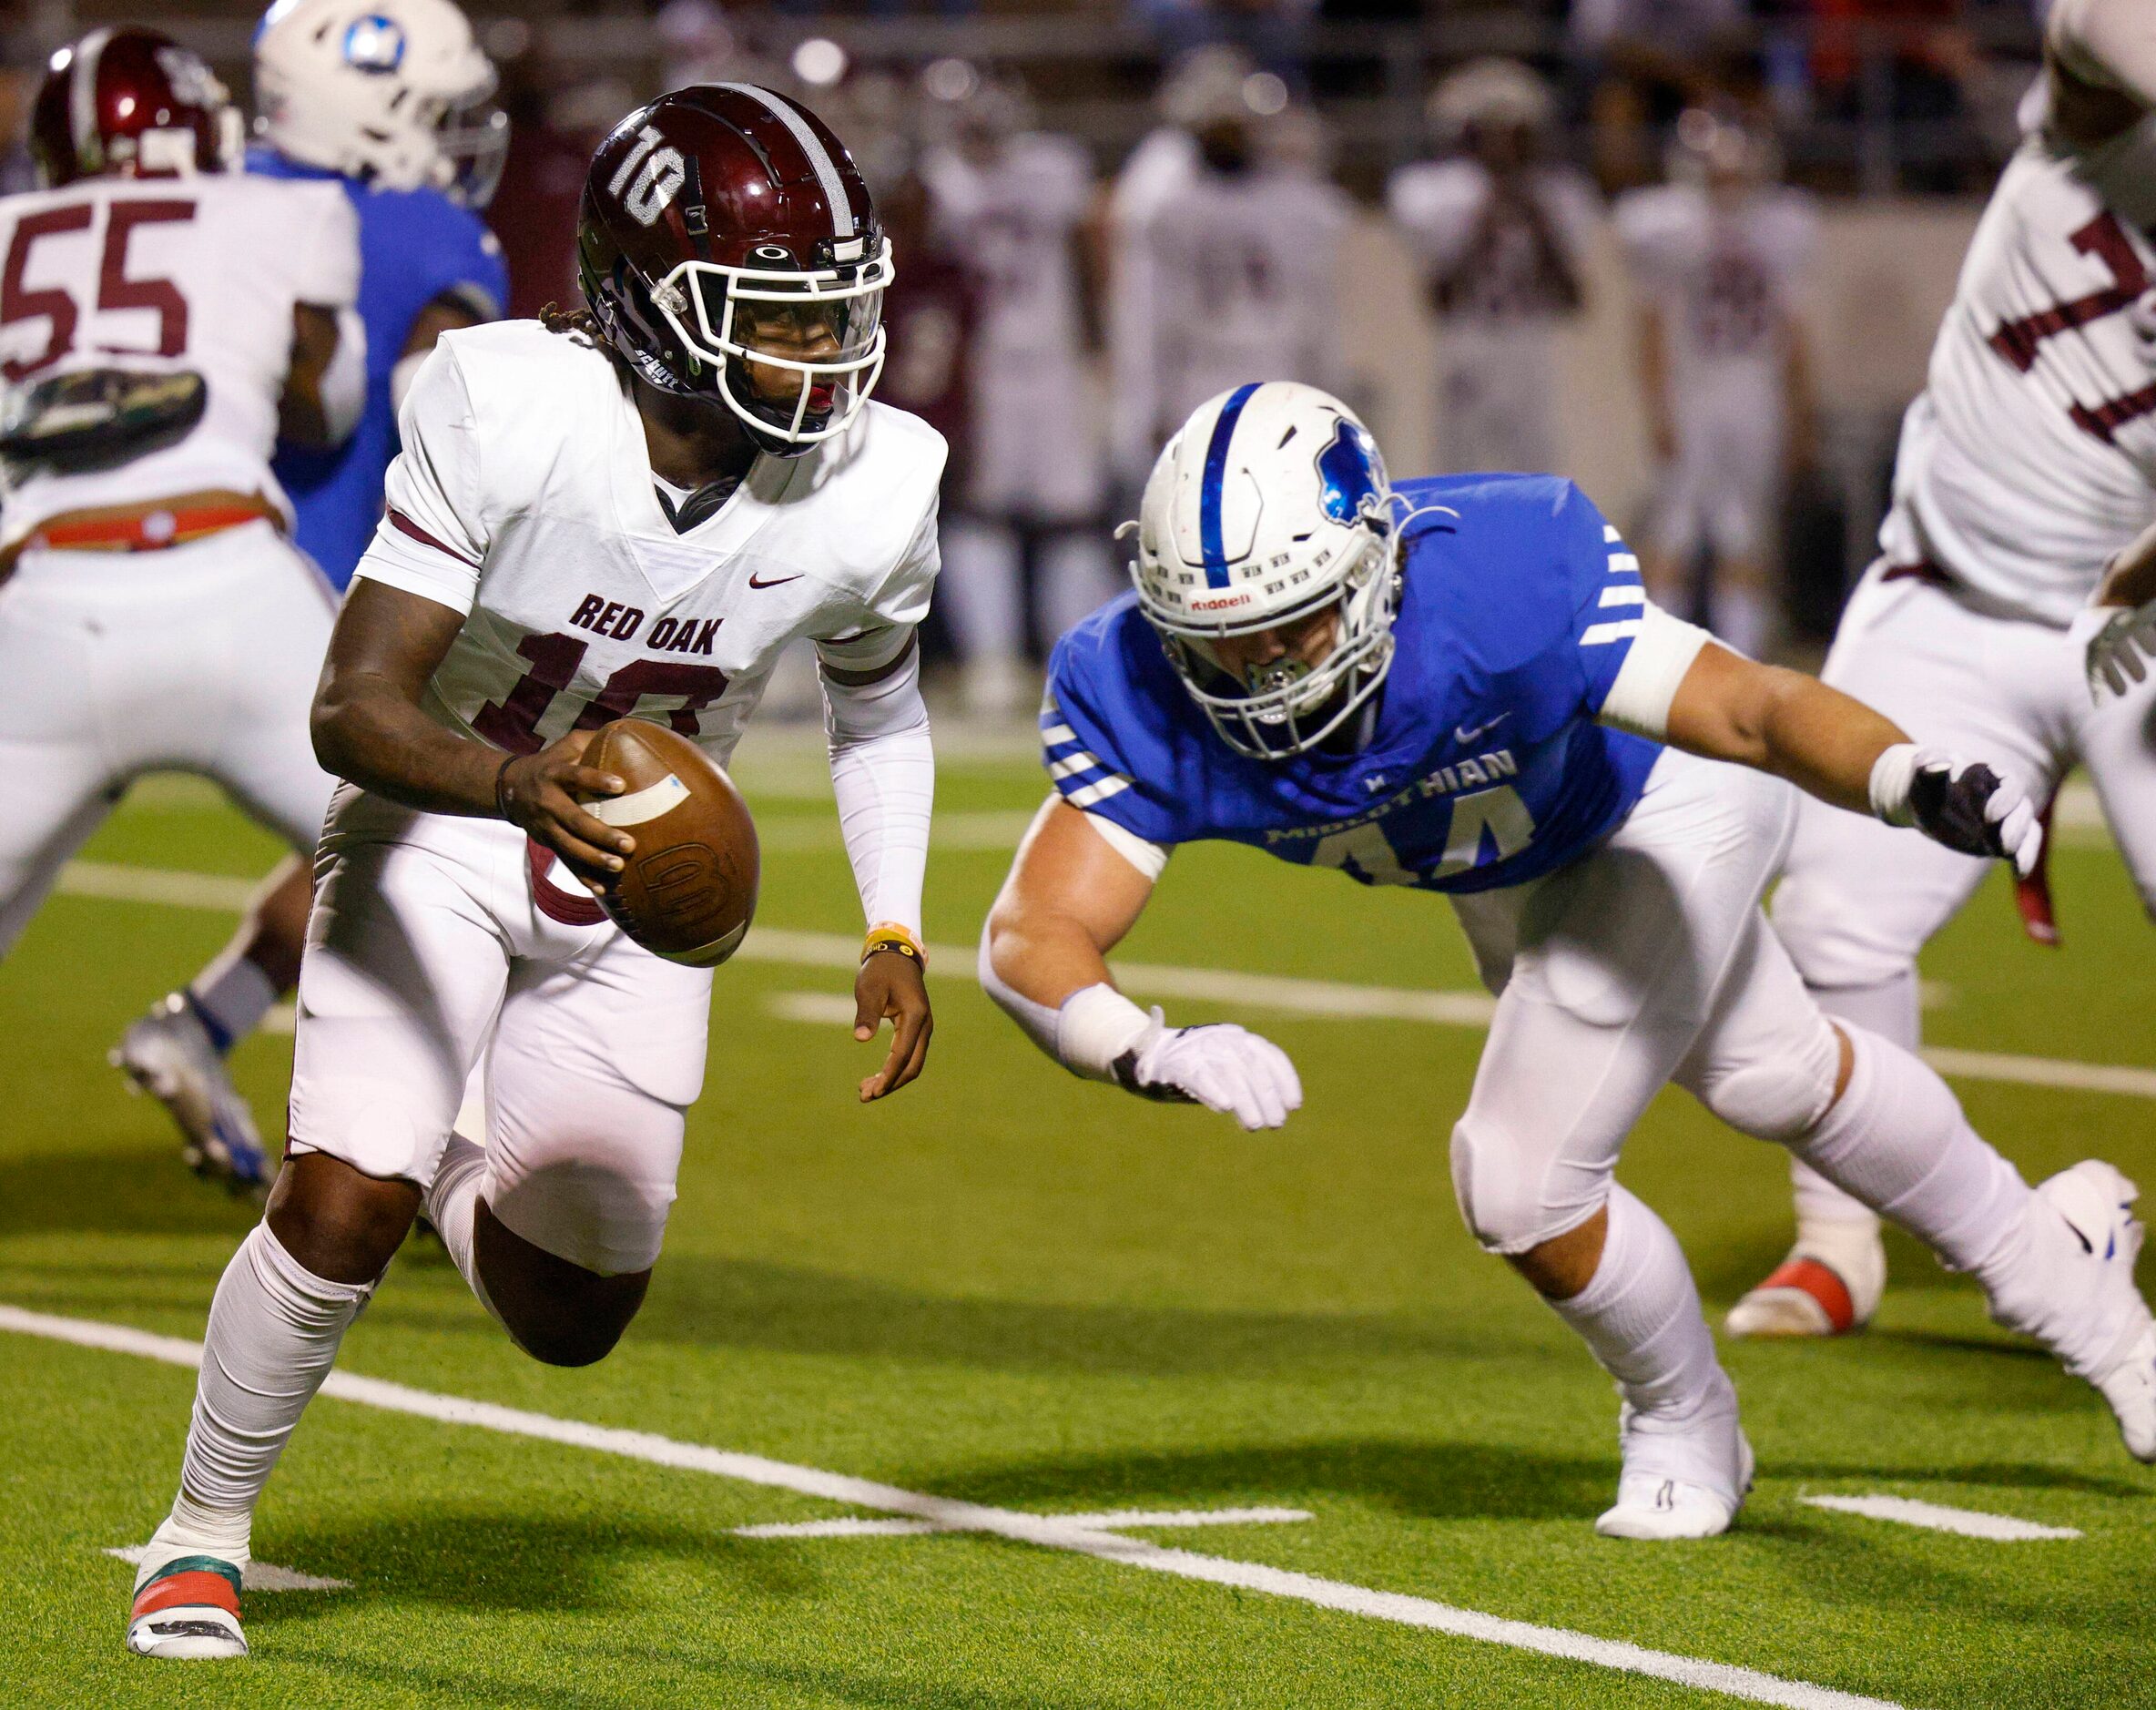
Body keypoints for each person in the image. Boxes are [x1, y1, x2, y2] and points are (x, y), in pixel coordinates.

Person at [979, 379, 2156, 1540]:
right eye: (1225, 644)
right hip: (1509, 865)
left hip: (1657, 807)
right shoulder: (1135, 685)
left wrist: (1906, 775)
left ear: (1382, 569)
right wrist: (1141, 1046)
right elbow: (1032, 933)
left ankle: (1687, 1419)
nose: (1269, 674)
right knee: (1774, 1072)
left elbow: (1745, 708)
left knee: (1520, 1176)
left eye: (1298, 623)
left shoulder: (1502, 576)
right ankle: (2075, 1277)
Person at [123, 84, 943, 1662]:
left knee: (573, 1320)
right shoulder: (509, 405)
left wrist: (894, 923)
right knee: (342, 1199)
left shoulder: (872, 481)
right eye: (773, 318)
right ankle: (198, 1531)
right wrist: (514, 780)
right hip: (445, 815)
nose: (825, 357)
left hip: (638, 894)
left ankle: (441, 1154)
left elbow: (879, 701)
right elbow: (351, 705)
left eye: (837, 312)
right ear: (647, 306)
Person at [1728, 0, 2156, 1338]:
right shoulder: (2105, 125)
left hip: (2140, 627)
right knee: (1836, 923)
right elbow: (2101, 30)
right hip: (1954, 599)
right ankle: (1839, 1240)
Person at [109, 0, 509, 1194]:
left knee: (365, 849)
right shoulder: (422, 225)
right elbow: (451, 426)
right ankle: (466, 1157)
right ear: (369, 98)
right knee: (464, 848)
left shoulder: (200, 195)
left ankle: (202, 1019)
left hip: (106, 579)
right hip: (315, 599)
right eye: (435, 107)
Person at [0, 31, 361, 1081]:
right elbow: (323, 407)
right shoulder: (285, 210)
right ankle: (466, 1168)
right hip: (236, 590)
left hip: (45, 608)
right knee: (448, 877)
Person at [922, 73, 1116, 718]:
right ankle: (992, 660)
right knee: (980, 510)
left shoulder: (1052, 168)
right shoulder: (936, 179)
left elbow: (1088, 256)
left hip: (1052, 357)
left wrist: (1098, 345)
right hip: (978, 361)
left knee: (1073, 515)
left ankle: (1084, 657)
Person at [1615, 105, 1816, 660]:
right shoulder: (1666, 227)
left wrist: (1802, 411)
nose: (1728, 180)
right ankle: (1654, 663)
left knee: (1745, 534)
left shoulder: (1780, 227)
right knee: (1674, 529)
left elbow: (1792, 332)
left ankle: (1739, 659)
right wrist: (1658, 407)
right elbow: (1651, 326)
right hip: (1693, 391)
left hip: (1754, 393)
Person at [1107, 50, 1348, 507]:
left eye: (1234, 126)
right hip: (1201, 375)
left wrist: (1327, 390)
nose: (1227, 138)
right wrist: (1149, 404)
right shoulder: (1170, 206)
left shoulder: (1294, 202)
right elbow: (1153, 314)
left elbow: (1317, 308)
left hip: (1278, 370)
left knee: (1283, 508)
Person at [1388, 59, 1599, 476]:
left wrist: (1536, 218)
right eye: (1489, 132)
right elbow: (1441, 300)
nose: (1501, 146)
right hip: (1469, 343)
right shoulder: (1440, 192)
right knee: (1459, 471)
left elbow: (1574, 299)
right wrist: (1485, 217)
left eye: (1511, 133)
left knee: (1538, 476)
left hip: (1530, 344)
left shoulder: (1555, 196)